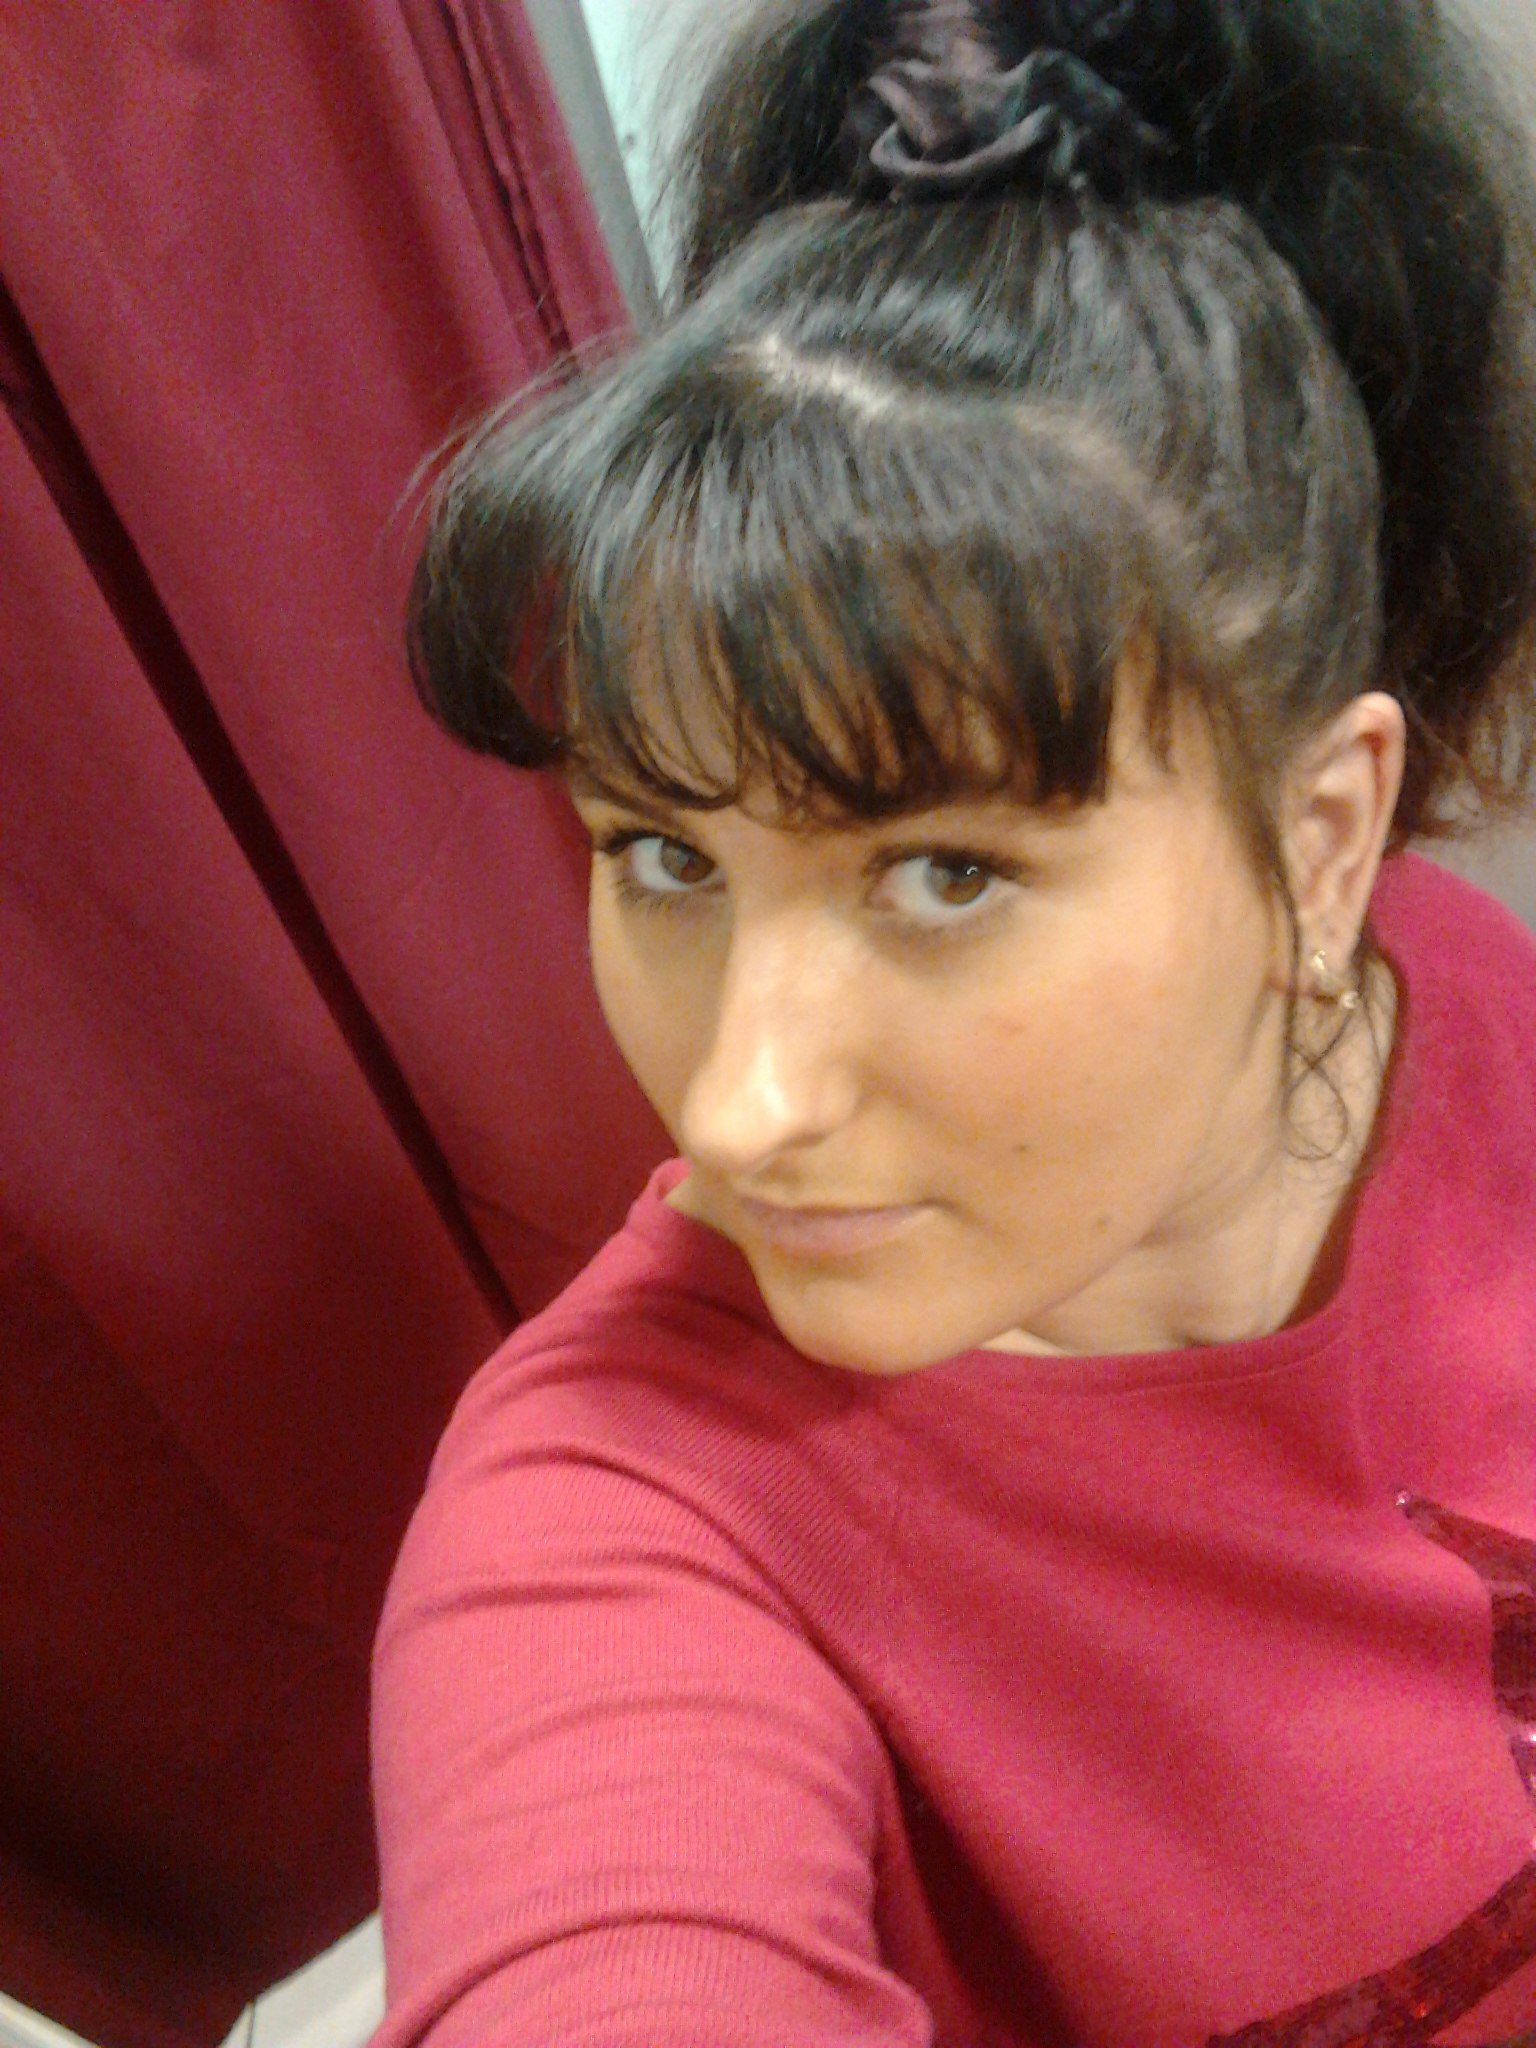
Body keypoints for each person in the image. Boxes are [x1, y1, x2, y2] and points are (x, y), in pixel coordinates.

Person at [370, 1, 1536, 2041]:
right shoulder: (616, 1530)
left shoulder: (1463, 982)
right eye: (663, 854)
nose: (738, 1106)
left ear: (1324, 837)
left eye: (945, 873)